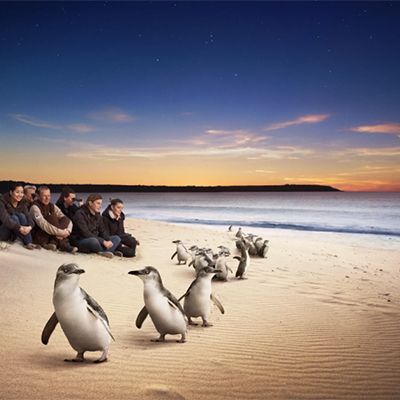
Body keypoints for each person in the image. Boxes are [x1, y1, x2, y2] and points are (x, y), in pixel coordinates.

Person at [71, 193, 121, 258]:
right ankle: (109, 251)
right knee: (93, 241)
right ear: (90, 203)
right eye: (98, 203)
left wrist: (108, 240)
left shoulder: (98, 216)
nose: (100, 206)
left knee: (116, 238)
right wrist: (103, 241)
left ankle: (104, 251)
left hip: (96, 239)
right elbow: (85, 233)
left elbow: (102, 231)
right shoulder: (80, 214)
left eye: (101, 204)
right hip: (81, 240)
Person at [30, 186, 77, 253]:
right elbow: (44, 225)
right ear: (38, 196)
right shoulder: (34, 207)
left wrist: (68, 231)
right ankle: (63, 245)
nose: (47, 198)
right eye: (44, 196)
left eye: (49, 196)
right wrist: (61, 233)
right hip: (39, 235)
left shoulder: (52, 205)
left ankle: (53, 243)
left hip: (52, 235)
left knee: (64, 219)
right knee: (51, 218)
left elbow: (66, 219)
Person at [0, 182, 38, 250]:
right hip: (3, 233)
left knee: (22, 216)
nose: (20, 195)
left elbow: (29, 219)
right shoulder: (2, 201)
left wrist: (29, 227)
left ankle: (29, 243)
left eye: (22, 192)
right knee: (14, 217)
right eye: (17, 192)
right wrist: (20, 228)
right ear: (11, 192)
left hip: (14, 233)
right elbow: (5, 220)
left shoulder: (22, 202)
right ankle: (27, 242)